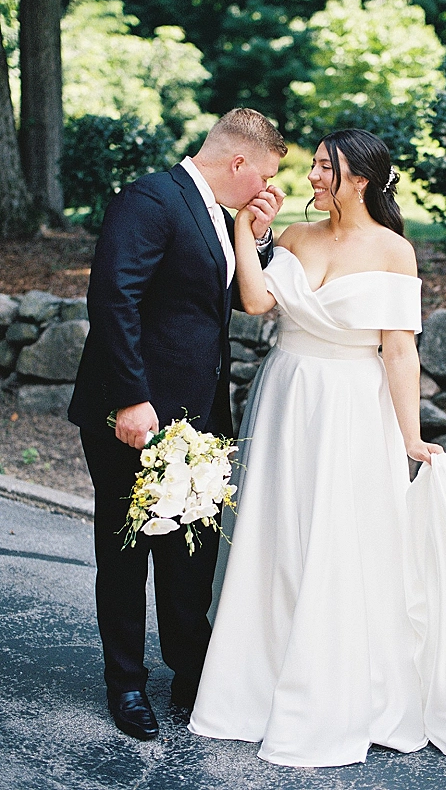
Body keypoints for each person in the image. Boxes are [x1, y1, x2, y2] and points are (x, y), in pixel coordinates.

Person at [189, 128, 446, 769]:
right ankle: (256, 687)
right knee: (277, 535)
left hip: (351, 408)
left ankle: (335, 692)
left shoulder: (394, 252)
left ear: (358, 179)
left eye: (322, 166)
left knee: (344, 540)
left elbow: (399, 350)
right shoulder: (294, 237)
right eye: (310, 164)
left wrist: (410, 436)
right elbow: (254, 301)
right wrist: (247, 232)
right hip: (286, 395)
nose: (310, 175)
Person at [68, 108, 287, 741]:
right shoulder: (152, 198)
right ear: (238, 163)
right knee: (125, 547)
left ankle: (190, 672)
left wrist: (260, 233)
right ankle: (126, 683)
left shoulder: (223, 214)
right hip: (133, 414)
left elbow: (216, 293)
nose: (270, 188)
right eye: (267, 176)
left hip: (200, 414)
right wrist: (133, 399)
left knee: (191, 548)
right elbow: (114, 297)